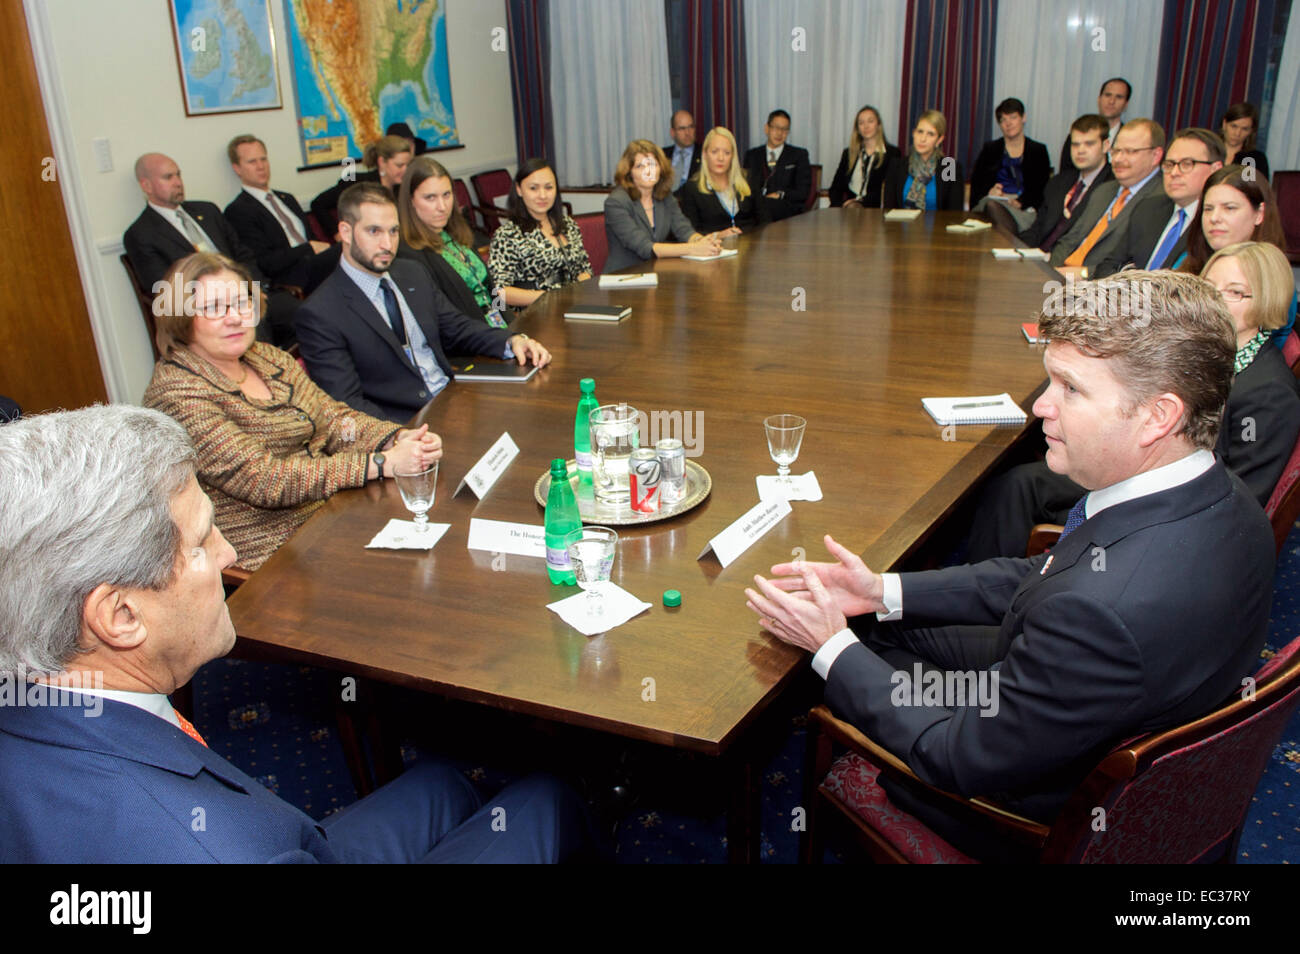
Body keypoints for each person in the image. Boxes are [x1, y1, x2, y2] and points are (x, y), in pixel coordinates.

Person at [744, 270, 1274, 861]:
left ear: (1158, 416)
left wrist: (829, 649)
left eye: (1070, 388)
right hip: (1087, 706)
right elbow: (1046, 573)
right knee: (874, 631)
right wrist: (881, 591)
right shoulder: (1224, 497)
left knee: (842, 660)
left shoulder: (1102, 613)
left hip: (1023, 812)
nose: (1041, 406)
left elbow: (957, 758)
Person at [0, 404, 590, 863]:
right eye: (205, 540)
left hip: (292, 840)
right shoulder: (208, 846)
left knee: (441, 782)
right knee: (546, 800)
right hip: (266, 845)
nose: (228, 551)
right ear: (121, 615)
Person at [967, 242, 1299, 561]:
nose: (1218, 299)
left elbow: (1241, 496)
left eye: (1235, 291)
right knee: (1016, 482)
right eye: (1211, 287)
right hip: (1139, 466)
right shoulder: (1198, 355)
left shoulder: (1270, 391)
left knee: (1017, 485)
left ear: (1268, 300)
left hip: (1162, 506)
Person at [142, 251, 441, 571]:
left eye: (242, 303)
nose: (235, 317)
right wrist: (380, 463)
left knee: (440, 540)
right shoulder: (177, 394)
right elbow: (264, 479)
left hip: (336, 512)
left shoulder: (267, 357)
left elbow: (334, 420)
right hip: (278, 555)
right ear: (180, 317)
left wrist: (395, 437)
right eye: (214, 308)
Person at [297, 183, 551, 423]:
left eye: (393, 231)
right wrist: (403, 438)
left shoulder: (411, 273)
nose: (387, 244)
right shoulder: (321, 313)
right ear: (345, 232)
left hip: (454, 402)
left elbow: (457, 327)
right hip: (403, 427)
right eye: (374, 231)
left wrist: (512, 341)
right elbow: (346, 406)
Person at [124, 152, 298, 348]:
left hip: (249, 292)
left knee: (306, 315)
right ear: (146, 185)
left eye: (178, 175)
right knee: (252, 323)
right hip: (209, 310)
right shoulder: (141, 233)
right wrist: (226, 302)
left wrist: (253, 286)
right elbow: (165, 288)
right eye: (168, 177)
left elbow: (242, 254)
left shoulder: (207, 211)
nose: (178, 182)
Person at [1091, 127, 1224, 277]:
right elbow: (1108, 265)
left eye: (1187, 164)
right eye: (1169, 165)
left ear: (1215, 169)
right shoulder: (1148, 208)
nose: (1174, 173)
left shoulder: (1217, 223)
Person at [396, 155, 509, 329]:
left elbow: (490, 289)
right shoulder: (408, 253)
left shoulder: (457, 233)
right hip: (470, 342)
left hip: (497, 329)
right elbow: (443, 321)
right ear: (411, 201)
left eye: (446, 195)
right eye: (430, 198)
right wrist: (500, 339)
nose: (442, 206)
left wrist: (512, 325)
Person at [1050, 119, 1166, 273]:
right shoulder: (1104, 191)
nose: (1117, 159)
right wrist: (1052, 271)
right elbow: (1069, 240)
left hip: (1099, 286)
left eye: (1129, 151)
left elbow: (1132, 265)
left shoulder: (1160, 201)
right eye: (1116, 151)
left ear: (1156, 155)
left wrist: (1083, 275)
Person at [223, 134, 332, 291]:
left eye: (263, 159)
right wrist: (308, 249)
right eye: (252, 162)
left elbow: (313, 238)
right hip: (291, 276)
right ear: (237, 168)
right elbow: (265, 262)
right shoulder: (238, 210)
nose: (261, 166)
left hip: (318, 263)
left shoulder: (286, 198)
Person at [602, 140, 722, 272]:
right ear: (629, 173)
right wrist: (693, 248)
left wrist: (702, 241)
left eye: (653, 165)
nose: (648, 171)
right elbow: (645, 247)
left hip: (656, 272)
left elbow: (683, 229)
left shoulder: (665, 197)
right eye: (640, 166)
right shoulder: (616, 202)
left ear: (661, 168)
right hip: (623, 277)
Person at [488, 159, 592, 308]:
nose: (543, 195)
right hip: (533, 315)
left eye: (549, 187)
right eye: (533, 188)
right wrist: (550, 297)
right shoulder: (507, 235)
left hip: (574, 307)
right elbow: (498, 291)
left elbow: (584, 268)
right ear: (519, 190)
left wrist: (579, 290)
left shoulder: (568, 225)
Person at [1017, 114, 1114, 252]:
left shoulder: (1113, 187)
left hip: (1070, 267)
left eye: (1089, 144)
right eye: (1075, 144)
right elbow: (1038, 228)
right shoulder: (1059, 182)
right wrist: (1017, 250)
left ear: (1105, 146)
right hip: (1038, 258)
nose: (1080, 150)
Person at [1183, 165, 1288, 274]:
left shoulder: (1274, 278)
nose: (1214, 218)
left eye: (1229, 208)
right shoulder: (1186, 263)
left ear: (1259, 214)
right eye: (1208, 209)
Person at [968, 97, 1051, 231]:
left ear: (1023, 118)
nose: (1008, 123)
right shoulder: (990, 149)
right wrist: (990, 191)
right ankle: (1008, 246)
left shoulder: (1038, 151)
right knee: (991, 205)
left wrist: (1020, 202)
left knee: (993, 212)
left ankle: (1003, 244)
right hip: (993, 202)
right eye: (1003, 120)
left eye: (1013, 117)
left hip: (1024, 208)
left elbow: (1042, 188)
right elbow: (977, 184)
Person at [310, 134, 415, 237]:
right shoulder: (356, 183)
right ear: (382, 162)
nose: (405, 170)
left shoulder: (404, 188)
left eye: (408, 165)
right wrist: (336, 234)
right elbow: (318, 204)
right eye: (399, 165)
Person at [676, 126, 764, 233]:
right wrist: (717, 236)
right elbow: (692, 232)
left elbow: (765, 220)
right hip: (715, 247)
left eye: (727, 153)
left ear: (733, 156)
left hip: (751, 244)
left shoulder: (748, 179)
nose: (720, 158)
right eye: (714, 152)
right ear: (705, 154)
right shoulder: (692, 188)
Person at [882, 110, 964, 211]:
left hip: (938, 226)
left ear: (939, 140)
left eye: (930, 134)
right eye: (920, 132)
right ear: (913, 134)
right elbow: (889, 210)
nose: (923, 139)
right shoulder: (897, 166)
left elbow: (954, 212)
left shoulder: (949, 167)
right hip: (900, 225)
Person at [742, 109, 812, 221]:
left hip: (787, 211)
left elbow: (803, 192)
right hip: (758, 208)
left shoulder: (799, 155)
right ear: (767, 129)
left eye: (784, 129)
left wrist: (780, 194)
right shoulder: (752, 155)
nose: (780, 133)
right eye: (776, 128)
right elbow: (745, 187)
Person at [828, 106, 900, 209]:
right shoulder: (848, 153)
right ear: (857, 129)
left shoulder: (892, 154)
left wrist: (860, 202)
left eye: (870, 121)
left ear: (878, 125)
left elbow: (888, 191)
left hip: (875, 210)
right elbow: (835, 188)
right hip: (848, 210)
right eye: (861, 123)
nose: (866, 126)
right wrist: (842, 204)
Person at [1058, 77, 1130, 172]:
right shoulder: (1077, 135)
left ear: (1126, 104)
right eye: (1108, 95)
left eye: (1119, 97)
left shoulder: (1130, 139)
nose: (1111, 101)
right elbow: (1066, 174)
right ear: (1099, 99)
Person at [1219, 102, 1270, 180]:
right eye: (1234, 126)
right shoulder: (1208, 150)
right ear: (1224, 124)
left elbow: (1253, 188)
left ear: (1251, 131)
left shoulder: (1254, 158)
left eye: (1244, 129)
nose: (1237, 133)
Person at [663, 109, 702, 188]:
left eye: (691, 127)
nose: (687, 133)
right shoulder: (662, 155)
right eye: (682, 128)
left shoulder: (704, 154)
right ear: (672, 133)